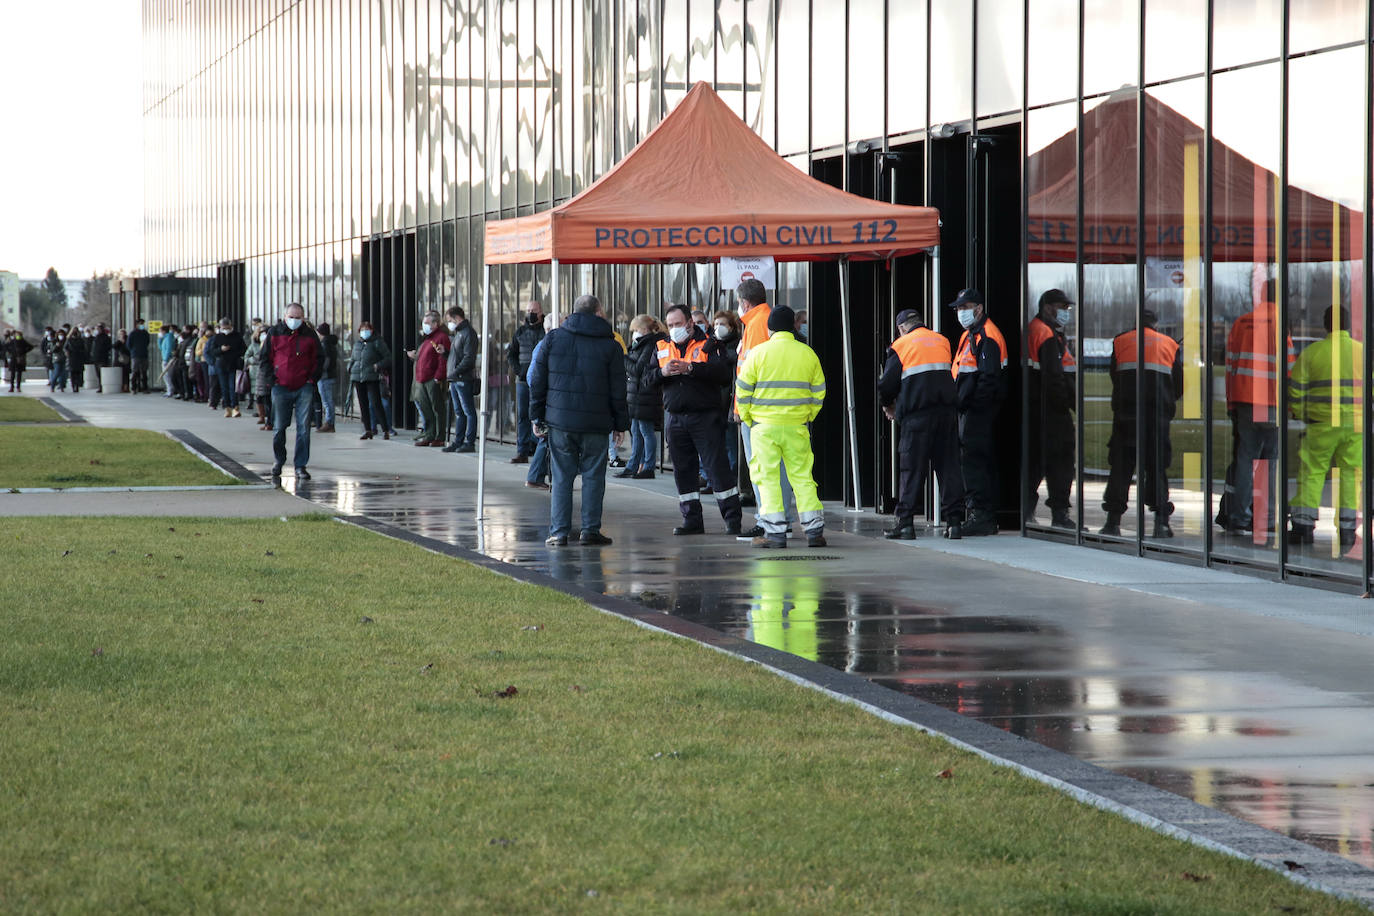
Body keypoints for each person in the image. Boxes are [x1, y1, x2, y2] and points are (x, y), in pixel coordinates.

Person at [528, 293, 629, 547]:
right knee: (594, 476)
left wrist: (536, 416)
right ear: (598, 313)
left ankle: (559, 532)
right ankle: (590, 530)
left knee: (561, 477)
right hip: (597, 422)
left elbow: (538, 381)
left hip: (560, 421)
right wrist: (620, 424)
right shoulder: (611, 345)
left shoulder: (553, 338)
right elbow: (618, 389)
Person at [647, 304, 744, 535]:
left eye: (678, 324)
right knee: (683, 470)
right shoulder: (661, 346)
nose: (673, 329)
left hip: (704, 416)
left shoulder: (709, 344)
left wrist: (691, 368)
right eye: (670, 325)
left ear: (690, 323)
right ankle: (691, 519)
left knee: (716, 468)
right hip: (675, 417)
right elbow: (646, 380)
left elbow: (722, 375)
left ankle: (732, 518)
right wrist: (662, 373)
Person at [736, 304, 827, 548]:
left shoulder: (757, 353)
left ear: (770, 327)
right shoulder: (807, 353)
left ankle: (775, 533)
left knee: (767, 478)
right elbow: (819, 391)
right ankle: (814, 530)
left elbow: (743, 390)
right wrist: (809, 415)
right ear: (793, 326)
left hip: (764, 428)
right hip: (797, 426)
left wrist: (747, 417)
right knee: (802, 477)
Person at [1215, 280, 1294, 539]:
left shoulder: (1241, 323)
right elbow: (1289, 371)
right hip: (1271, 404)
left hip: (1245, 401)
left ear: (1260, 295)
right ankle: (1268, 519)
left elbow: (1230, 367)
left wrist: (1231, 403)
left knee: (1245, 459)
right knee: (1270, 461)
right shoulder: (1281, 325)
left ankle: (1239, 517)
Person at [878, 308, 965, 540]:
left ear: (901, 328)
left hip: (917, 417)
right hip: (947, 415)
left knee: (912, 470)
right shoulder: (942, 340)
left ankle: (905, 524)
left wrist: (889, 406)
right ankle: (954, 523)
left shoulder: (902, 345)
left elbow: (887, 384)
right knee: (948, 469)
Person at [1100, 310, 1183, 538]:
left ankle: (1113, 522)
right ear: (1155, 324)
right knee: (1156, 469)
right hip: (1157, 417)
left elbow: (1114, 376)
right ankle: (1161, 522)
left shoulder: (1121, 341)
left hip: (1126, 416)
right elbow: (1178, 386)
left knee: (1121, 468)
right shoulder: (1169, 345)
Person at [1288, 305, 1362, 548]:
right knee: (1351, 475)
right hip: (1354, 427)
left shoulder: (1312, 353)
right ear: (1348, 325)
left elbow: (1295, 392)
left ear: (1325, 324)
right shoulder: (1362, 353)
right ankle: (1348, 530)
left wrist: (1302, 414)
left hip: (1320, 424)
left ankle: (1303, 526)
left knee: (1312, 473)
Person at [735, 278, 800, 539]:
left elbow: (751, 372)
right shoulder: (764, 320)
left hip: (758, 412)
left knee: (763, 469)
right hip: (775, 411)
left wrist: (742, 410)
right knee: (779, 469)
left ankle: (769, 520)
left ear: (744, 302)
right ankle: (779, 519)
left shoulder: (756, 324)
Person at [949, 288, 1007, 537]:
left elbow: (988, 378)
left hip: (978, 411)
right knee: (973, 462)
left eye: (966, 307)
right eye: (959, 309)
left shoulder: (987, 336)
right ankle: (980, 512)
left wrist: (973, 406)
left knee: (974, 463)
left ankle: (981, 515)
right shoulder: (971, 334)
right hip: (970, 410)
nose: (961, 313)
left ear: (979, 308)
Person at [1025, 288, 1077, 528]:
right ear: (1048, 307)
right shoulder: (1045, 334)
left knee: (1035, 463)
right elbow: (1055, 378)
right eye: (1062, 308)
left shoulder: (1039, 330)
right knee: (1060, 463)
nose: (1066, 312)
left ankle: (1026, 511)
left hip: (1037, 410)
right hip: (1052, 412)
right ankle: (1060, 513)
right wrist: (1069, 405)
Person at [260, 302, 323, 480]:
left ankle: (300, 465)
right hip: (281, 387)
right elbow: (264, 358)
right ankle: (278, 461)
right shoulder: (274, 333)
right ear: (285, 316)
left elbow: (319, 358)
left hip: (304, 386)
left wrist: (312, 380)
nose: (294, 320)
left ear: (303, 318)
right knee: (279, 427)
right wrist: (272, 380)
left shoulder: (309, 335)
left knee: (303, 428)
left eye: (298, 317)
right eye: (291, 317)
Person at [620, 314, 667, 479]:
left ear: (645, 329)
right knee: (636, 430)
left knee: (645, 431)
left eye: (636, 330)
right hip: (638, 395)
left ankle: (648, 466)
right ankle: (634, 465)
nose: (634, 333)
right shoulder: (641, 344)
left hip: (645, 394)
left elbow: (639, 370)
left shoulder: (650, 344)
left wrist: (624, 358)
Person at [506, 299, 545, 463]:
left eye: (534, 310)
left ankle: (538, 450)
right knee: (522, 415)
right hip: (522, 381)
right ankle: (522, 451)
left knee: (539, 416)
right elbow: (511, 354)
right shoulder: (520, 332)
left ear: (541, 312)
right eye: (528, 310)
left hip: (541, 381)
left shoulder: (546, 331)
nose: (531, 313)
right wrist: (519, 370)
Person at [522, 314, 557, 491]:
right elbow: (532, 377)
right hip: (547, 400)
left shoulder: (543, 346)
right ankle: (537, 476)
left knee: (548, 440)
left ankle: (538, 476)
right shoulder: (545, 347)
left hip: (546, 399)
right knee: (547, 440)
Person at [406, 309, 449, 447]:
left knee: (437, 408)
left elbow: (442, 359)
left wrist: (438, 377)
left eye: (426, 323)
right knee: (426, 409)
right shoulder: (428, 339)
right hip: (422, 378)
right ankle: (429, 434)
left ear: (435, 324)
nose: (424, 325)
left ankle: (439, 436)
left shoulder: (441, 337)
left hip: (432, 379)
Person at [442, 305, 480, 452]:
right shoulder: (459, 334)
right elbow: (456, 356)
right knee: (459, 412)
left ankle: (469, 442)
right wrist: (445, 353)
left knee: (468, 411)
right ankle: (458, 441)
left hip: (462, 378)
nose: (449, 323)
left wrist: (455, 372)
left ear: (457, 318)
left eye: (450, 320)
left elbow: (468, 358)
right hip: (455, 378)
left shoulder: (468, 333)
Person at [348, 320, 395, 440]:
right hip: (358, 377)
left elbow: (388, 357)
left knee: (376, 403)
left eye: (367, 329)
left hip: (372, 377)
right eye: (362, 330)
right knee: (363, 405)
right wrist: (350, 367)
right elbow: (353, 358)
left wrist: (377, 365)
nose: (364, 332)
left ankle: (385, 429)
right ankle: (368, 429)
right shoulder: (357, 344)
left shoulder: (377, 342)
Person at [712, 310, 743, 479]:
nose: (718, 328)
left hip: (730, 402)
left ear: (731, 327)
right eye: (716, 324)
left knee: (731, 444)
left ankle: (732, 478)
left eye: (722, 324)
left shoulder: (736, 345)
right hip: (715, 403)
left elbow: (734, 359)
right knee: (717, 444)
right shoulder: (713, 345)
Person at [209, 318, 247, 417]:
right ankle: (227, 407)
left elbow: (243, 349)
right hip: (221, 365)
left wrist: (234, 352)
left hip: (234, 364)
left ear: (231, 326)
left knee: (233, 387)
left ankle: (235, 407)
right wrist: (221, 349)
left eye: (228, 327)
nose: (226, 329)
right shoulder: (217, 337)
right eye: (223, 328)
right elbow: (212, 351)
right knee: (224, 387)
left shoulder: (237, 336)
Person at [315, 322, 339, 432]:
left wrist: (319, 371)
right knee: (328, 401)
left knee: (327, 401)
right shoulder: (331, 344)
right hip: (330, 375)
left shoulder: (324, 345)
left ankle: (329, 423)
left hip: (325, 377)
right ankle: (329, 422)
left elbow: (326, 361)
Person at [126, 320, 151, 393]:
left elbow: (147, 342)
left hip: (144, 354)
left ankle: (145, 388)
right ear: (136, 325)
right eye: (140, 324)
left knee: (144, 372)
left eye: (142, 324)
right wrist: (133, 350)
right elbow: (128, 344)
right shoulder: (133, 333)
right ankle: (134, 388)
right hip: (136, 355)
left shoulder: (145, 333)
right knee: (135, 371)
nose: (142, 325)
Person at [64, 326, 88, 393]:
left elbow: (84, 349)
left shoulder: (81, 340)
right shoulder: (69, 340)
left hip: (79, 358)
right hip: (72, 358)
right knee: (72, 373)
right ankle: (73, 385)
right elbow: (65, 348)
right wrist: (67, 353)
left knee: (78, 373)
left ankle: (77, 385)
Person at [159, 324, 179, 396]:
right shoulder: (165, 338)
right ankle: (169, 389)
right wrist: (160, 339)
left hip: (167, 359)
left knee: (168, 375)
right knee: (166, 376)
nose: (160, 333)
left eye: (161, 331)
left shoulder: (169, 337)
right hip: (165, 357)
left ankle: (170, 390)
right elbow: (161, 347)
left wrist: (166, 359)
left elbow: (169, 349)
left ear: (164, 331)